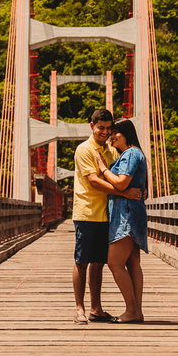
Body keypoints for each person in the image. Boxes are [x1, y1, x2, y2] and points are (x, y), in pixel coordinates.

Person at [72, 108, 142, 324]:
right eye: (101, 128)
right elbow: (94, 181)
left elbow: (124, 174)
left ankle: (96, 309)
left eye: (109, 128)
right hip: (88, 211)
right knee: (82, 261)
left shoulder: (113, 151)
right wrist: (124, 192)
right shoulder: (84, 150)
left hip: (109, 215)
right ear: (92, 126)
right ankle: (79, 309)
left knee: (99, 263)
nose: (105, 132)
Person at [94, 118, 148, 324]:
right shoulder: (133, 154)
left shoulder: (131, 153)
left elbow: (121, 181)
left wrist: (103, 167)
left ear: (127, 134)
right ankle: (137, 311)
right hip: (133, 213)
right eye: (110, 131)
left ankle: (132, 310)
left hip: (126, 216)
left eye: (116, 132)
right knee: (133, 263)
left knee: (114, 263)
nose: (111, 136)